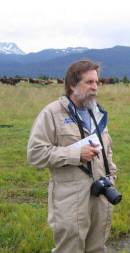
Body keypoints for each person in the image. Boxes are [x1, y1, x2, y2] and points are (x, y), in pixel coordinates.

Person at [27, 60, 118, 253]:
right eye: (89, 82)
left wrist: (112, 177)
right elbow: (35, 153)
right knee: (70, 248)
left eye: (97, 82)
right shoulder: (52, 113)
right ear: (72, 85)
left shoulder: (97, 113)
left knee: (97, 248)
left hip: (101, 195)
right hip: (71, 199)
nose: (95, 87)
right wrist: (75, 154)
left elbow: (107, 150)